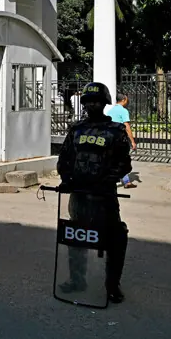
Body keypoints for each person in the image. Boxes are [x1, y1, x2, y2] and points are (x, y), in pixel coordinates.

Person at [57, 82, 132, 303]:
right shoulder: (76, 129)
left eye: (96, 101)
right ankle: (76, 280)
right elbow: (65, 159)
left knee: (114, 238)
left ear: (104, 103)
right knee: (76, 235)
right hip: (79, 194)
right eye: (88, 101)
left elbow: (123, 164)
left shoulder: (115, 131)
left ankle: (112, 285)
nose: (92, 105)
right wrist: (66, 179)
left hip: (104, 196)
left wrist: (105, 181)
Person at [106, 92, 137, 188]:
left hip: (109, 139)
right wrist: (132, 141)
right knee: (122, 159)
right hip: (120, 140)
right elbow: (127, 127)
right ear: (123, 100)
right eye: (126, 99)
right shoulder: (123, 111)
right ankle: (126, 181)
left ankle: (122, 180)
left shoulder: (110, 111)